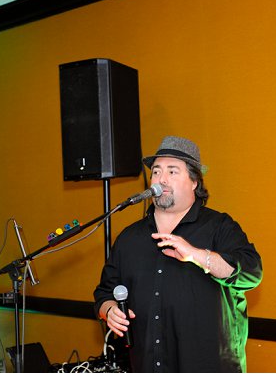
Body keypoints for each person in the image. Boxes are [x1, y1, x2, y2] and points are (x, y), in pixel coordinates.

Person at [94, 135, 261, 372]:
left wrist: (196, 255)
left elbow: (252, 274)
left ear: (194, 181)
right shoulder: (130, 238)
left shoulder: (220, 226)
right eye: (156, 172)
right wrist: (109, 310)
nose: (161, 179)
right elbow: (104, 293)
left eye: (173, 172)